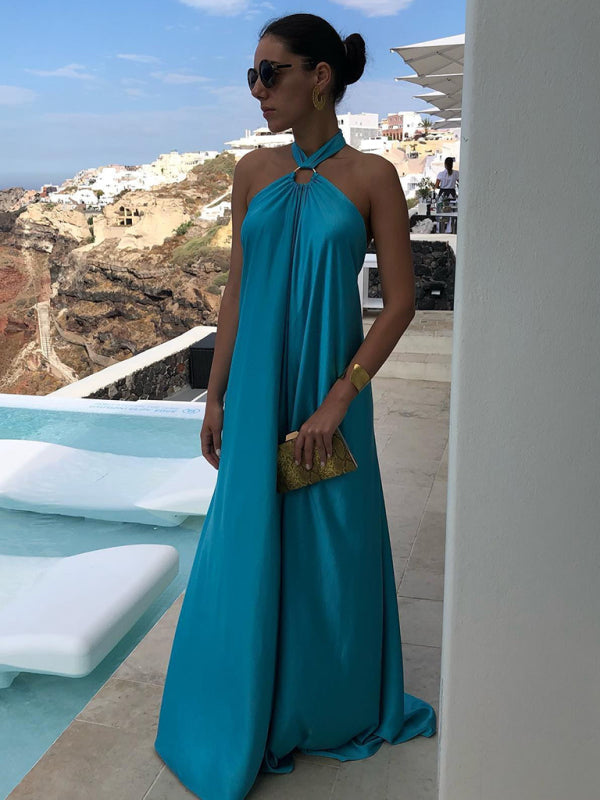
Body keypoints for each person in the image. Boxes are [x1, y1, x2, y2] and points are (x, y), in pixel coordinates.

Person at [154, 13, 436, 800]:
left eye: (269, 72)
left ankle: (326, 701)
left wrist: (341, 397)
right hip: (255, 391)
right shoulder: (253, 171)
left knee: (333, 544)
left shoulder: (375, 176)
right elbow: (237, 290)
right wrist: (215, 395)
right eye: (251, 74)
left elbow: (401, 303)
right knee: (248, 538)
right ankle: (247, 699)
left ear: (319, 77)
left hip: (330, 394)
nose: (257, 89)